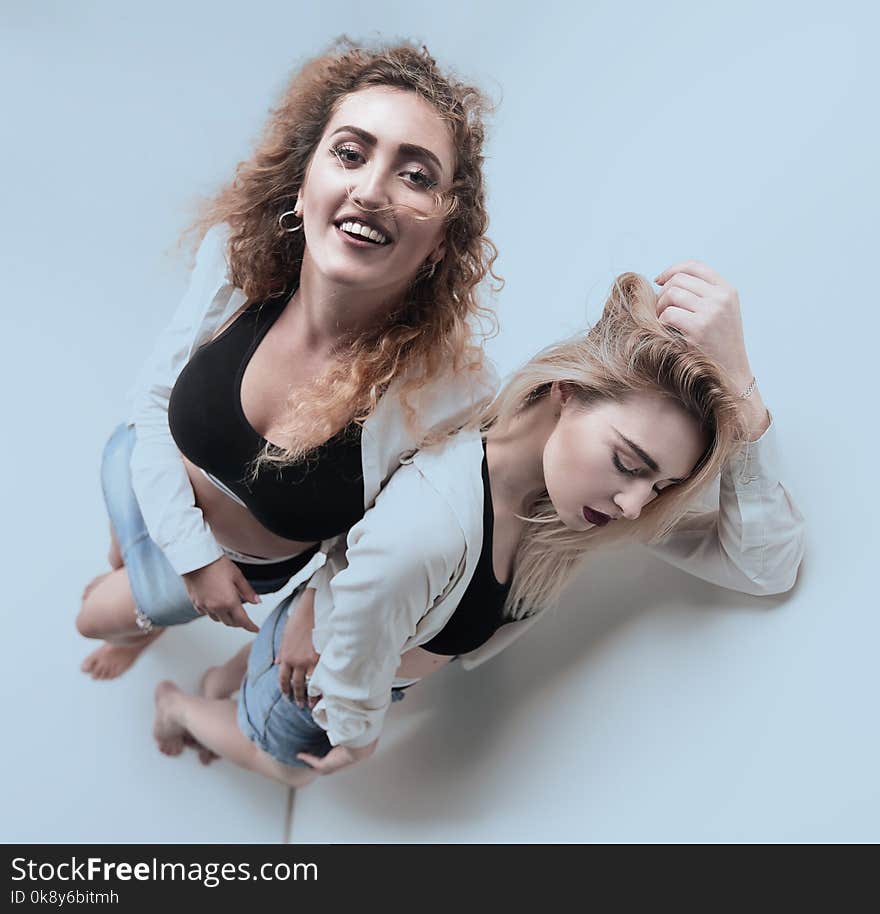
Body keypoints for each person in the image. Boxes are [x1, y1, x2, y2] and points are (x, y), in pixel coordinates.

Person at [151, 264, 805, 786]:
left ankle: (216, 687)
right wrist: (358, 735)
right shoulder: (438, 501)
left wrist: (744, 400)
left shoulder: (582, 512)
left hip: (356, 653)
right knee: (286, 768)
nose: (637, 504)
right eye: (629, 464)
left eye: (660, 485)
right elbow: (356, 520)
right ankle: (179, 707)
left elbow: (765, 566)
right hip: (333, 668)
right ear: (567, 392)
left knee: (250, 677)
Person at [76, 39, 499, 679]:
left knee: (88, 616)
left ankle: (143, 622)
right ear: (304, 187)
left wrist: (298, 601)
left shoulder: (451, 389)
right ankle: (143, 594)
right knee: (121, 549)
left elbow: (372, 538)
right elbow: (154, 404)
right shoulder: (235, 264)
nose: (371, 189)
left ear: (442, 238)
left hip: (236, 571)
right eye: (350, 154)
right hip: (139, 464)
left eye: (416, 175)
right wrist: (188, 556)